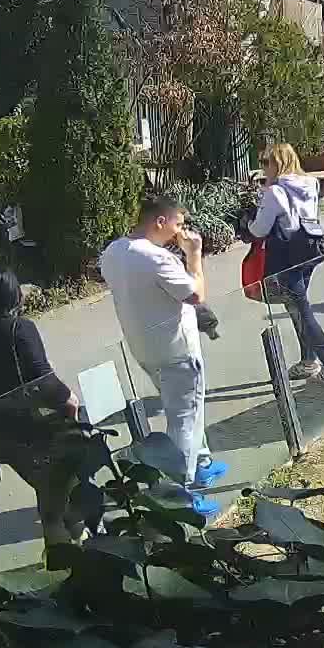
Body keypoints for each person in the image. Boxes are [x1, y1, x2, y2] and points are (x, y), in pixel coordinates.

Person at [0, 265, 101, 548]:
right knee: (57, 498)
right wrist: (69, 401)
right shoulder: (20, 328)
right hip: (38, 425)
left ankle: (74, 539)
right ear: (13, 295)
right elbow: (42, 376)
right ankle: (73, 555)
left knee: (50, 489)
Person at [101, 191, 222, 516]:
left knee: (187, 410)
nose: (180, 230)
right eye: (178, 223)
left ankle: (203, 461)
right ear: (160, 221)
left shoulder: (114, 252)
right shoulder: (158, 258)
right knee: (184, 422)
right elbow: (196, 294)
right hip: (178, 352)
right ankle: (182, 497)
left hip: (145, 349)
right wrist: (194, 256)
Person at [247, 143, 324, 383]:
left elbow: (259, 230)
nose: (263, 169)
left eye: (266, 163)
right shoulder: (310, 184)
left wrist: (247, 222)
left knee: (302, 309)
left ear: (277, 164)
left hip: (288, 256)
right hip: (311, 249)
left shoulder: (275, 192)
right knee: (295, 306)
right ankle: (308, 360)